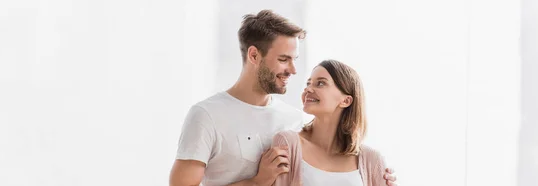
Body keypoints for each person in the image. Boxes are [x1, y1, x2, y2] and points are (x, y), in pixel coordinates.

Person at [169, 10, 397, 186]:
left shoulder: (295, 120)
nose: (293, 70)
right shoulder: (207, 115)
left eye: (295, 59)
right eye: (284, 59)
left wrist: (376, 174)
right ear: (254, 55)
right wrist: (257, 182)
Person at [272, 60, 388, 186]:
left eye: (320, 83)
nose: (308, 89)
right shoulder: (287, 144)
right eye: (308, 83)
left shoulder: (371, 159)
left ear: (345, 101)